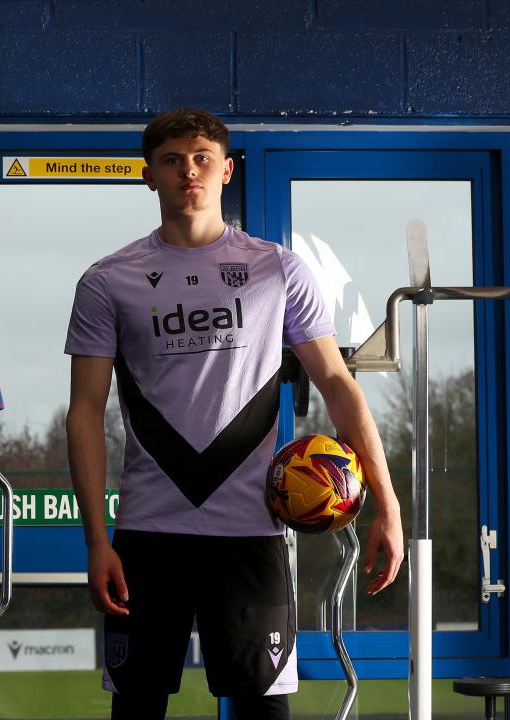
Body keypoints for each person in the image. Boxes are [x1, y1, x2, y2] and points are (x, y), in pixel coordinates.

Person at [64, 109, 404, 720]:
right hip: (147, 537)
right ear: (149, 177)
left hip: (252, 533)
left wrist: (387, 502)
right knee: (136, 710)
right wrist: (96, 540)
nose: (187, 171)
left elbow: (336, 382)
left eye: (200, 158)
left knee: (264, 713)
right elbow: (84, 414)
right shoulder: (107, 281)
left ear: (226, 170)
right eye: (171, 160)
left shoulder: (278, 269)